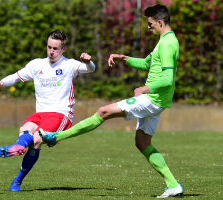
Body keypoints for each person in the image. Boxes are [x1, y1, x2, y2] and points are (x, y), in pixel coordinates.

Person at [39, 4, 183, 198]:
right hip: (158, 101)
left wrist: (144, 88)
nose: (148, 27)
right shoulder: (165, 40)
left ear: (159, 22)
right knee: (142, 141)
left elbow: (167, 79)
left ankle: (54, 137)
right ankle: (173, 185)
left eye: (150, 24)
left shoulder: (167, 43)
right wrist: (124, 58)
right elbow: (148, 63)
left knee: (103, 112)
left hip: (152, 99)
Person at [0, 30, 96, 191]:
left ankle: (17, 179)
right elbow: (17, 76)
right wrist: (1, 83)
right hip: (40, 113)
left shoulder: (69, 65)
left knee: (36, 140)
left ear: (63, 49)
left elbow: (90, 69)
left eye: (55, 48)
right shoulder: (36, 65)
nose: (51, 52)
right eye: (49, 47)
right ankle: (17, 147)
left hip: (61, 114)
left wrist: (89, 62)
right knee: (25, 129)